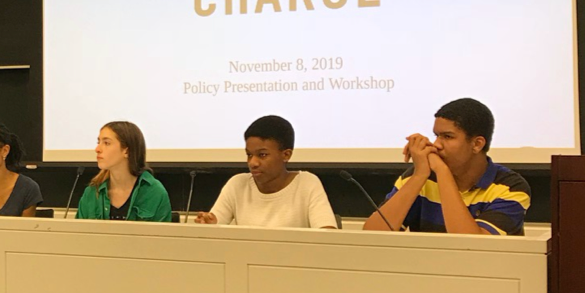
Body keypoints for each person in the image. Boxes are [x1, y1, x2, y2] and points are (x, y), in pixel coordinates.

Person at [363, 98, 530, 235]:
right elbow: (372, 235)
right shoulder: (420, 176)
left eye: (448, 137)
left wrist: (443, 172)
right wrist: (419, 175)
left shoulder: (510, 187)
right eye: (436, 136)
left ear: (477, 144)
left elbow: (472, 248)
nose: (436, 145)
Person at [195, 115, 337, 229]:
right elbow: (214, 228)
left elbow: (328, 236)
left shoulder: (307, 183)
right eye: (249, 154)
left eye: (262, 155)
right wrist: (208, 225)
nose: (253, 163)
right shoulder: (237, 184)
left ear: (286, 155)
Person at [76, 121, 172, 221]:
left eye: (106, 143)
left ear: (126, 151)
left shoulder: (154, 192)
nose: (97, 149)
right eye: (98, 142)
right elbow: (78, 234)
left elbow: (162, 235)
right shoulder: (92, 192)